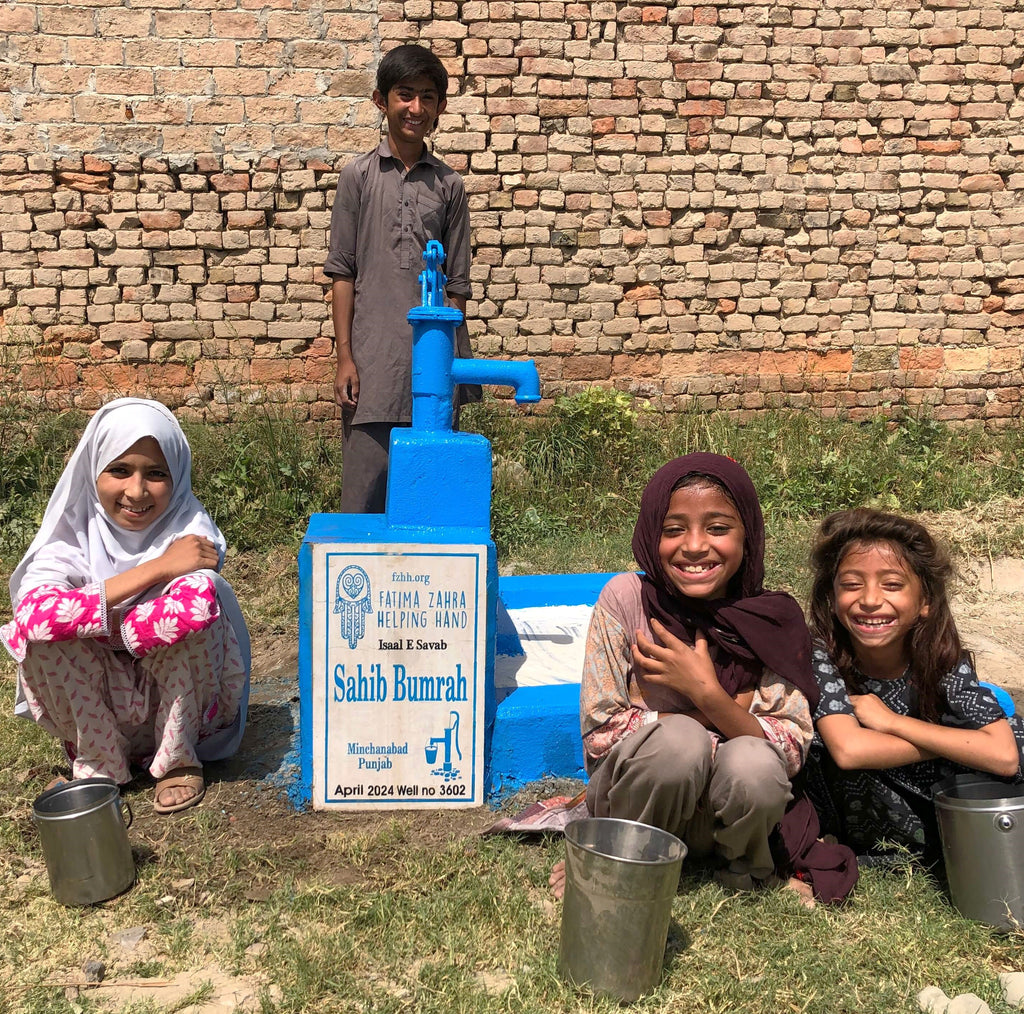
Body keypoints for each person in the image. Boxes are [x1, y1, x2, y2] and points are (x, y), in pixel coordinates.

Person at [552, 453, 856, 905]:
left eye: (718, 528)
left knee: (753, 763)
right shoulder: (627, 601)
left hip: (725, 819)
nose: (694, 546)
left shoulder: (773, 622)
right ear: (651, 532)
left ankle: (743, 870)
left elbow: (790, 749)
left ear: (747, 536)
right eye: (673, 529)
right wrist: (706, 720)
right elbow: (600, 737)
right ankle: (620, 857)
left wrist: (706, 692)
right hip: (643, 809)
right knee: (678, 742)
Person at [1, 398, 250, 814]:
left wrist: (91, 622)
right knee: (40, 640)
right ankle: (101, 763)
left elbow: (189, 610)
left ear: (178, 478)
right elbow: (35, 619)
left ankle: (177, 758)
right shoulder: (71, 536)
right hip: (102, 711)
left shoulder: (189, 529)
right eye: (119, 470)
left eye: (156, 474)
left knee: (196, 614)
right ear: (93, 470)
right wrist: (159, 568)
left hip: (175, 706)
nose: (136, 491)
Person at [805, 508, 1023, 862]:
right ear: (831, 599)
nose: (871, 600)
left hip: (932, 795)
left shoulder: (941, 656)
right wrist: (956, 742)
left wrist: (892, 723)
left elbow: (1004, 756)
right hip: (865, 804)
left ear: (925, 602)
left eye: (892, 584)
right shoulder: (820, 653)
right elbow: (850, 750)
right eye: (851, 584)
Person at [325, 43, 478, 513]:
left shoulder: (448, 185)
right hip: (372, 361)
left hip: (432, 361)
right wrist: (346, 357)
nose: (415, 108)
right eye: (404, 94)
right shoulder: (358, 177)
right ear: (381, 100)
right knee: (364, 499)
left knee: (430, 499)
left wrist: (448, 366)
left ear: (440, 108)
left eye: (427, 97)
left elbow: (458, 287)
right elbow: (341, 271)